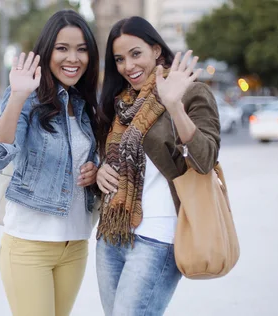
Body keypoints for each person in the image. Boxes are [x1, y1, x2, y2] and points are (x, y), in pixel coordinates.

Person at [94, 16, 221, 315]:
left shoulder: (191, 93)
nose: (128, 66)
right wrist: (100, 169)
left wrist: (174, 106)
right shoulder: (120, 104)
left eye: (136, 54)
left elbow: (206, 160)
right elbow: (112, 155)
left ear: (156, 50)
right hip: (112, 235)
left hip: (158, 237)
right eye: (120, 59)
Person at [0, 10, 100, 316]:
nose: (73, 58)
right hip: (29, 244)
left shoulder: (83, 105)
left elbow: (81, 159)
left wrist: (94, 171)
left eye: (81, 49)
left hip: (75, 244)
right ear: (47, 52)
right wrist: (18, 96)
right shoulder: (27, 98)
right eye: (62, 48)